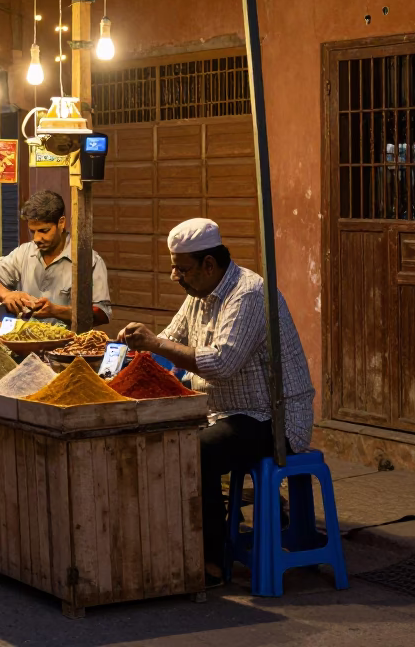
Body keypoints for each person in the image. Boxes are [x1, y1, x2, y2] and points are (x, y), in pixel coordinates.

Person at [118, 218, 314, 588]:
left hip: (271, 417)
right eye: (174, 266)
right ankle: (177, 543)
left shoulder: (249, 293)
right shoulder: (199, 296)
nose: (176, 275)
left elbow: (221, 362)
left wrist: (156, 345)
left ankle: (209, 560)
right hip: (220, 411)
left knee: (194, 451)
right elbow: (169, 340)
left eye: (182, 268)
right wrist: (137, 345)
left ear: (210, 265)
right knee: (163, 437)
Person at [0, 190, 112, 327]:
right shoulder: (24, 252)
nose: (36, 239)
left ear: (61, 223)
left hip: (66, 345)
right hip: (23, 341)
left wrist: (56, 311)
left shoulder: (89, 262)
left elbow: (102, 313)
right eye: (32, 231)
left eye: (44, 231)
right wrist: (6, 295)